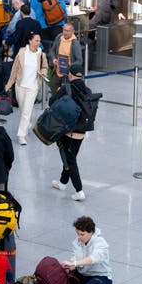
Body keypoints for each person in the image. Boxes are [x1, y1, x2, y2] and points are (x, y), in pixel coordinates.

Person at [51, 63, 95, 201]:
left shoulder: (66, 88)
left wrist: (59, 92)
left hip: (68, 130)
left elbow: (52, 102)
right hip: (82, 131)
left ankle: (79, 190)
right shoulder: (88, 90)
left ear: (70, 75)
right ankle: (63, 182)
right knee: (71, 156)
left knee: (70, 160)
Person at [6, 31, 49, 145]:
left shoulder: (41, 54)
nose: (38, 42)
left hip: (33, 86)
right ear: (30, 41)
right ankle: (27, 123)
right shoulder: (22, 52)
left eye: (39, 40)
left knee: (26, 111)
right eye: (36, 40)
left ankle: (21, 135)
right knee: (22, 109)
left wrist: (43, 72)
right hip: (20, 85)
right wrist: (9, 84)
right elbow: (15, 69)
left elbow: (45, 67)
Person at [62, 215, 112, 284]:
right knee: (64, 280)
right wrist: (69, 266)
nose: (79, 237)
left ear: (91, 232)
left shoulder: (100, 243)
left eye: (82, 234)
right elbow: (75, 257)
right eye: (77, 234)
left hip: (101, 277)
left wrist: (75, 263)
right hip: (83, 274)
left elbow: (93, 259)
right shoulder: (76, 242)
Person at [49, 23, 82, 97]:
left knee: (67, 94)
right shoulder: (59, 37)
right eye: (64, 30)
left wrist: (70, 66)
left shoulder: (75, 43)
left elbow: (79, 60)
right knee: (53, 86)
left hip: (68, 74)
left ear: (72, 32)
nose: (65, 32)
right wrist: (54, 59)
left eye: (68, 31)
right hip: (58, 70)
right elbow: (52, 51)